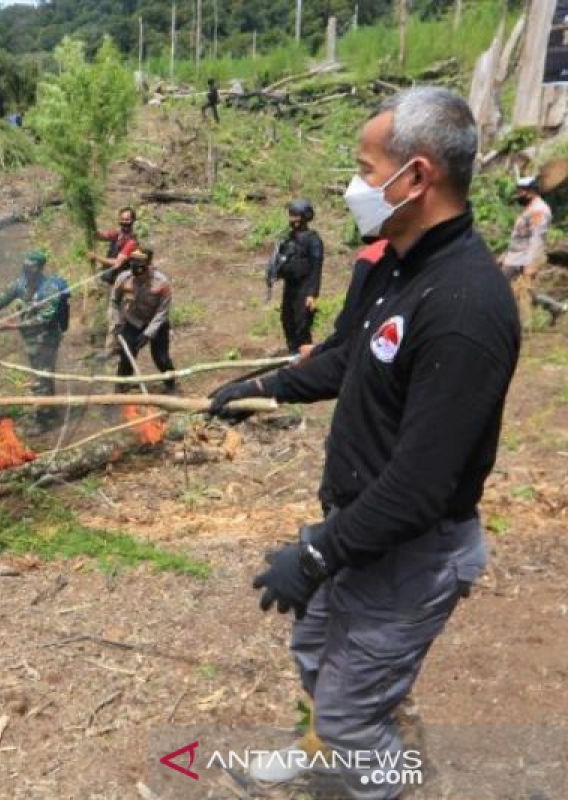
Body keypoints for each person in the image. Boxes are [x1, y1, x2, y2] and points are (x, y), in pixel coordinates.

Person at [210, 87, 520, 799]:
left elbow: (419, 488)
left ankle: (373, 776)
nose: (353, 185)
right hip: (362, 527)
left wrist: (316, 552)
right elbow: (347, 356)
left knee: (355, 720)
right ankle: (331, 753)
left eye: (363, 167)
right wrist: (262, 389)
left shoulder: (466, 308)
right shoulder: (394, 263)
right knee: (315, 651)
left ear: (414, 177)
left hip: (412, 548)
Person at [0, 250, 70, 432]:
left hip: (46, 338)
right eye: (25, 267)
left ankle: (42, 421)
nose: (26, 271)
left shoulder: (50, 289)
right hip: (31, 339)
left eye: (30, 268)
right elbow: (0, 301)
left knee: (42, 377)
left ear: (40, 268)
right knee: (42, 375)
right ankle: (50, 410)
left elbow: (45, 318)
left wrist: (13, 326)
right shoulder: (20, 284)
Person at [109, 248, 177, 394]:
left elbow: (162, 312)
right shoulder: (123, 278)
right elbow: (114, 302)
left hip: (156, 324)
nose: (137, 275)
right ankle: (121, 386)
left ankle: (171, 383)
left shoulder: (161, 283)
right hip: (132, 321)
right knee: (126, 356)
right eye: (133, 265)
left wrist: (148, 333)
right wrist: (118, 323)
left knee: (161, 358)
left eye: (140, 268)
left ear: (148, 265)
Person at [267, 199, 325, 354]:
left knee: (302, 325)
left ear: (304, 216)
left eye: (295, 215)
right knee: (287, 320)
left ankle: (305, 360)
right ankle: (293, 354)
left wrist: (312, 294)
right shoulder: (289, 237)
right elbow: (282, 259)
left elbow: (316, 268)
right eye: (290, 215)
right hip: (291, 287)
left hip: (304, 289)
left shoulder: (313, 240)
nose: (291, 219)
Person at [499, 176, 552, 329]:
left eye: (521, 191)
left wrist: (531, 264)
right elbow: (520, 237)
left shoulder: (539, 210)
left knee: (514, 290)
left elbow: (537, 239)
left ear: (530, 192)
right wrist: (505, 255)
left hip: (524, 259)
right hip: (515, 257)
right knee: (522, 291)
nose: (518, 195)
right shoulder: (530, 208)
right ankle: (553, 307)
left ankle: (522, 323)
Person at [88, 206, 140, 285]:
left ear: (133, 220)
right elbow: (100, 236)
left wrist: (96, 257)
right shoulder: (118, 234)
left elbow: (117, 263)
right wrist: (90, 224)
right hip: (109, 273)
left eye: (127, 220)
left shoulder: (132, 242)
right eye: (122, 219)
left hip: (120, 280)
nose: (124, 222)